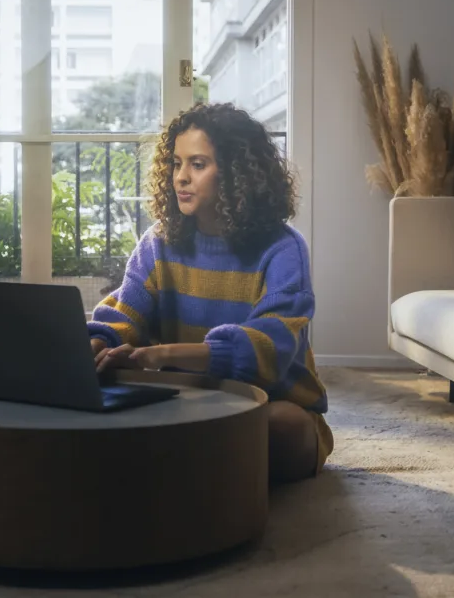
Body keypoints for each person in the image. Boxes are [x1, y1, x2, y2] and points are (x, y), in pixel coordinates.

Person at [87, 102, 333, 483]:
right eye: (176, 163)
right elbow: (123, 313)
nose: (181, 178)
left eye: (198, 164)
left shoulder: (284, 249)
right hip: (181, 399)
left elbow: (270, 344)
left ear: (237, 175)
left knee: (277, 428)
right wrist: (99, 343)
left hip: (267, 403)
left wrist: (161, 355)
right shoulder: (157, 243)